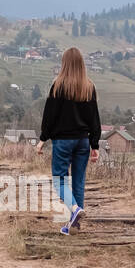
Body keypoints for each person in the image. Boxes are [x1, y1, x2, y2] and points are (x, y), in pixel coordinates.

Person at [37, 47, 101, 235]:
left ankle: (74, 211)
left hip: (63, 141)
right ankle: (74, 225)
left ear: (64, 63)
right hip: (82, 141)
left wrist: (42, 139)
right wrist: (94, 144)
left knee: (59, 180)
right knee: (79, 182)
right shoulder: (89, 87)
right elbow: (94, 118)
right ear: (81, 64)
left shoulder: (57, 85)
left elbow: (50, 115)